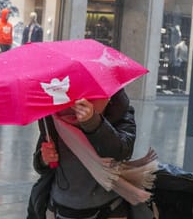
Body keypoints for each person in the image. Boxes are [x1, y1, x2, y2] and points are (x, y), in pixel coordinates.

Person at [27, 89, 151, 219]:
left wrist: (93, 123)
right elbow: (41, 165)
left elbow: (123, 151)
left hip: (109, 207)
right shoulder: (52, 111)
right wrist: (43, 158)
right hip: (59, 206)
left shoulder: (117, 106)